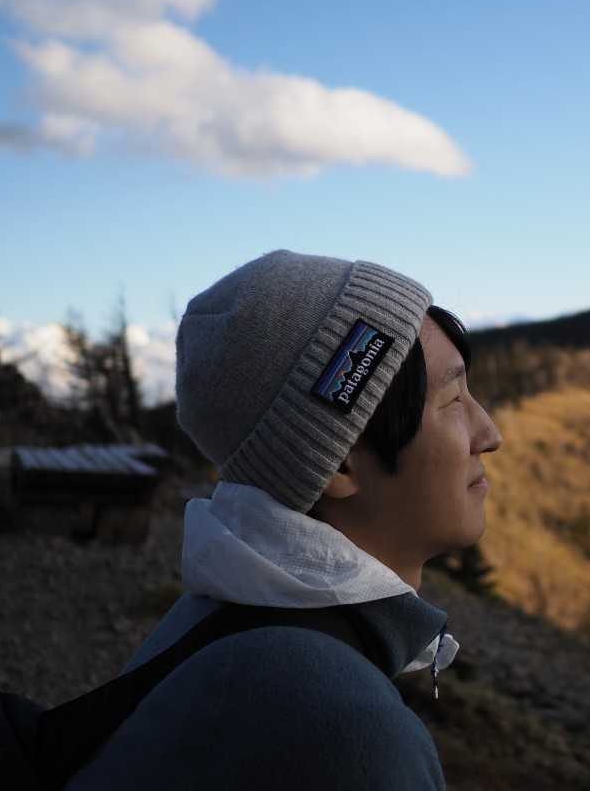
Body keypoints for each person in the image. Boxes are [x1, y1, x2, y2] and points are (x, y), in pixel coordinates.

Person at [65, 249, 503, 790]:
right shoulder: (344, 728)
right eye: (453, 399)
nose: (490, 434)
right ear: (341, 463)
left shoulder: (219, 623)